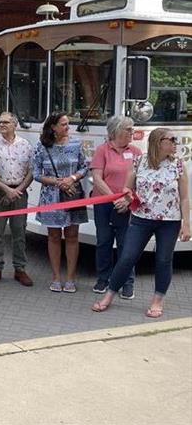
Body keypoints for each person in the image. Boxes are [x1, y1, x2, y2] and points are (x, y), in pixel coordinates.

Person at [92, 129, 190, 318]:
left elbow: (184, 198)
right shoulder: (139, 161)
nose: (176, 143)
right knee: (127, 257)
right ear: (158, 142)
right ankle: (109, 294)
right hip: (141, 218)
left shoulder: (177, 165)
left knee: (163, 260)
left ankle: (157, 300)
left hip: (169, 221)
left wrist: (187, 223)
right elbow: (128, 188)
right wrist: (128, 198)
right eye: (172, 139)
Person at [32, 112, 88, 293]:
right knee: (54, 237)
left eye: (67, 124)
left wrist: (71, 178)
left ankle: (71, 278)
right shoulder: (42, 147)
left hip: (72, 194)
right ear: (53, 127)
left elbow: (85, 166)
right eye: (63, 124)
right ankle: (56, 277)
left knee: (72, 236)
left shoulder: (76, 144)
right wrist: (58, 182)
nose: (67, 127)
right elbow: (36, 174)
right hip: (51, 198)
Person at [90, 115, 141, 298]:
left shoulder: (136, 152)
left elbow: (140, 182)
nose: (132, 132)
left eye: (132, 129)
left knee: (126, 245)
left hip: (128, 205)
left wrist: (127, 200)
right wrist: (113, 198)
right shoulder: (102, 150)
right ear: (116, 131)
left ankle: (127, 282)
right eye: (128, 129)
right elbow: (97, 178)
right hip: (104, 204)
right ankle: (103, 279)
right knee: (103, 241)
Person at [0, 112, 34, 286]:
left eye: (6, 122)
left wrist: (17, 190)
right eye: (0, 122)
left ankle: (20, 269)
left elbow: (31, 171)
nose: (2, 124)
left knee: (19, 232)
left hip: (20, 192)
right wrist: (6, 190)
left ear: (15, 125)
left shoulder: (25, 145)